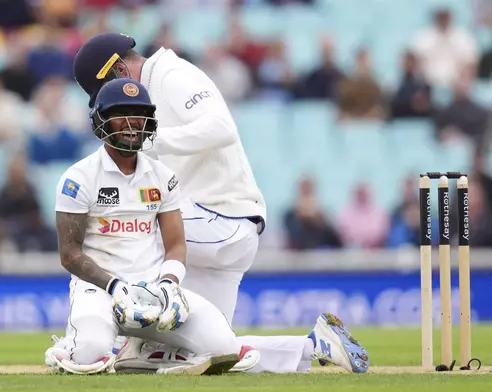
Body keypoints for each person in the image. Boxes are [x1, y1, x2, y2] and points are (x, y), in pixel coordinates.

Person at [71, 33, 370, 374]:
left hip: (222, 218)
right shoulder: (151, 94)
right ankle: (317, 345)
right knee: (206, 351)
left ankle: (82, 337)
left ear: (119, 70)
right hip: (215, 233)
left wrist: (149, 142)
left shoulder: (170, 74)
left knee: (122, 230)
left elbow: (221, 127)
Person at [44, 78, 253, 375]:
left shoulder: (162, 176)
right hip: (100, 290)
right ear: (102, 120)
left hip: (153, 289)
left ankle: (144, 355)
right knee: (88, 356)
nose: (132, 123)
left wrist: (168, 284)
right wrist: (115, 286)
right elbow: (69, 254)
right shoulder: (78, 178)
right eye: (122, 114)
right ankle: (67, 348)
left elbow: (176, 246)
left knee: (224, 348)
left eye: (139, 114)